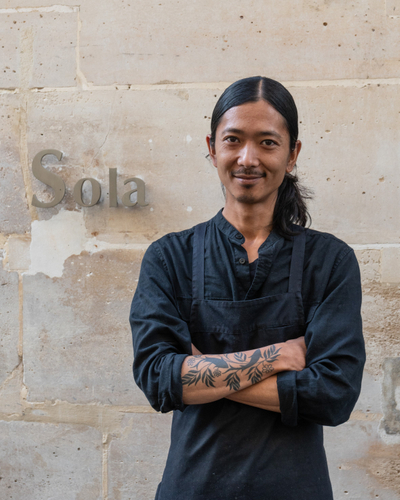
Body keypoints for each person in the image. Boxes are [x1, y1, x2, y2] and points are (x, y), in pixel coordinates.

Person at [130, 76, 365, 500]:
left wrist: (199, 372)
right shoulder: (169, 257)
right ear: (212, 147)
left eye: (267, 143)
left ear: (292, 154)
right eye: (233, 140)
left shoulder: (330, 261)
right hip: (193, 489)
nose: (247, 158)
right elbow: (157, 379)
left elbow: (334, 394)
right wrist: (278, 356)